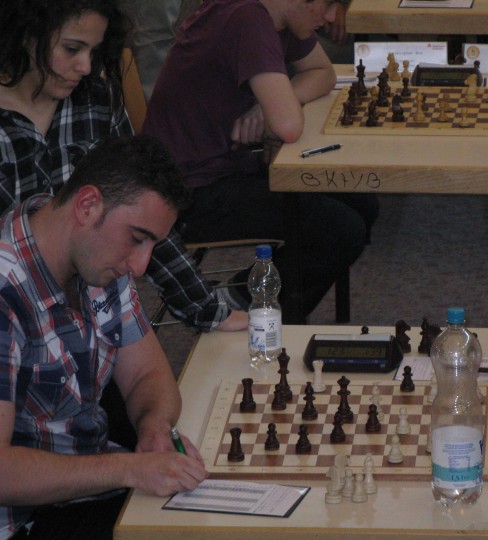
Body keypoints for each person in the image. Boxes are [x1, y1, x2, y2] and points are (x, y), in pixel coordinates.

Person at [0, 135, 208, 540]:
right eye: (137, 238)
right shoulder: (6, 291)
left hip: (87, 487)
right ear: (87, 205)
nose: (141, 265)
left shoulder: (95, 257)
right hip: (25, 520)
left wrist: (154, 426)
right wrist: (129, 468)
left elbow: (147, 373)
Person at [0, 0, 247, 333]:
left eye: (94, 51)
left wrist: (205, 308)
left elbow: (143, 208)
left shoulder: (95, 100)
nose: (86, 66)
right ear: (25, 34)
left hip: (93, 306)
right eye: (72, 49)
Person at [144, 0, 379, 320]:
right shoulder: (248, 19)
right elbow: (289, 126)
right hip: (187, 191)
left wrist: (273, 104)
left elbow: (323, 73)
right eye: (326, 4)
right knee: (339, 229)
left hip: (226, 163)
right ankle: (244, 309)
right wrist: (276, 111)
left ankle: (248, 298)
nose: (330, 18)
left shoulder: (280, 15)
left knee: (362, 203)